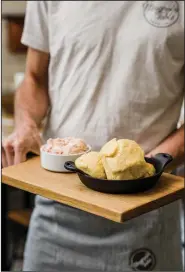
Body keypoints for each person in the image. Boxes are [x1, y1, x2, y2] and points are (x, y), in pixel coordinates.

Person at [2, 1, 184, 271]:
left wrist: (150, 165)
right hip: (57, 213)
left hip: (145, 215)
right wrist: (26, 123)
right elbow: (34, 77)